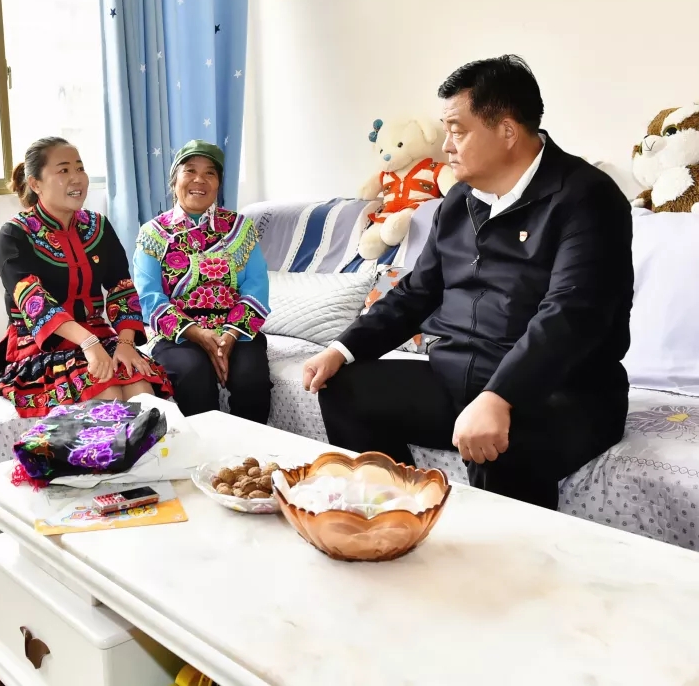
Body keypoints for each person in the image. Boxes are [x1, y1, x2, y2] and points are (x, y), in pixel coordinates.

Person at [302, 55, 633, 510]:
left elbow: (572, 314)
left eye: (457, 131)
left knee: (500, 444)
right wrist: (341, 349)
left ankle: (510, 556)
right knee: (345, 388)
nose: (447, 146)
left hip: (562, 390)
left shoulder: (587, 197)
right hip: (458, 377)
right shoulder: (458, 200)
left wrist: (501, 395)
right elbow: (418, 291)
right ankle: (403, 515)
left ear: (507, 131)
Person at [0, 136, 173, 417]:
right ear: (35, 184)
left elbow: (121, 288)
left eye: (80, 168)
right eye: (63, 170)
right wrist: (88, 343)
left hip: (98, 336)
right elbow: (34, 302)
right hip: (39, 345)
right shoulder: (14, 235)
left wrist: (125, 344)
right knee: (106, 392)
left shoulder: (98, 226)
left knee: (142, 391)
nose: (76, 178)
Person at [134, 140, 273, 424]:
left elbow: (256, 286)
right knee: (193, 374)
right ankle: (207, 450)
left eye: (210, 173)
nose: (200, 179)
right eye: (190, 171)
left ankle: (250, 450)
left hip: (236, 331)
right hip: (177, 335)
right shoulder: (153, 233)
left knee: (251, 379)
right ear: (174, 181)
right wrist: (197, 334)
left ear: (219, 184)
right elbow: (149, 297)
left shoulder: (240, 227)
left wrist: (229, 337)